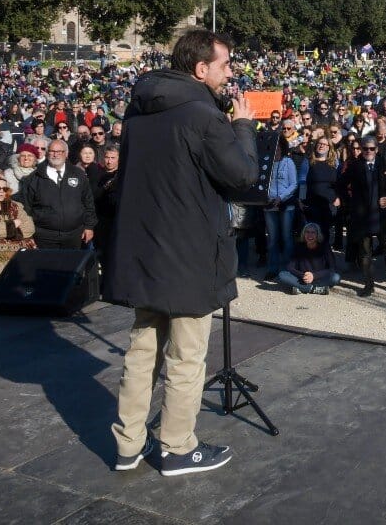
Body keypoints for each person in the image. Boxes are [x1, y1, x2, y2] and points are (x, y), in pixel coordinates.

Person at [106, 29, 258, 476]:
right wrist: (243, 127)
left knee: (141, 351)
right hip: (189, 253)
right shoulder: (201, 116)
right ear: (200, 68)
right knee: (186, 356)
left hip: (144, 250)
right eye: (226, 65)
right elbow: (242, 176)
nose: (230, 73)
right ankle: (176, 447)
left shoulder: (138, 112)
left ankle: (128, 445)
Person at [340, 135, 386, 296]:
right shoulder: (355, 166)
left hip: (383, 215)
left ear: (377, 149)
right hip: (362, 216)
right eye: (365, 148)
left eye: (372, 148)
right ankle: (369, 283)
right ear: (361, 149)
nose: (368, 151)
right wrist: (350, 203)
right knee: (364, 252)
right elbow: (340, 185)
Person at [15, 139, 97, 250]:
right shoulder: (34, 178)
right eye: (52, 151)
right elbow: (25, 208)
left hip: (74, 235)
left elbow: (88, 202)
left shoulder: (78, 174)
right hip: (44, 236)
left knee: (70, 266)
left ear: (66, 154)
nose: (56, 154)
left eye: (60, 151)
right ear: (47, 153)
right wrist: (27, 234)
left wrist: (89, 226)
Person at [262, 138, 299, 281]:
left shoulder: (288, 162)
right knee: (272, 239)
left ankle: (287, 269)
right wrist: (266, 197)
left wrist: (281, 197)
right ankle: (272, 269)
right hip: (269, 205)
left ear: (283, 148)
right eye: (274, 147)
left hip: (285, 205)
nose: (276, 149)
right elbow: (262, 181)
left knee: (287, 238)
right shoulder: (266, 161)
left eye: (278, 147)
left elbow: (293, 184)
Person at [278, 223, 341, 294]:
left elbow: (332, 268)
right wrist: (303, 275)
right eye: (307, 232)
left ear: (317, 234)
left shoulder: (325, 247)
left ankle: (301, 288)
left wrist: (314, 276)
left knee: (336, 277)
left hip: (319, 278)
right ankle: (315, 289)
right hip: (302, 278)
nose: (309, 235)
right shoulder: (299, 246)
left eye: (313, 232)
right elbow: (290, 267)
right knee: (282, 275)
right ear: (303, 234)